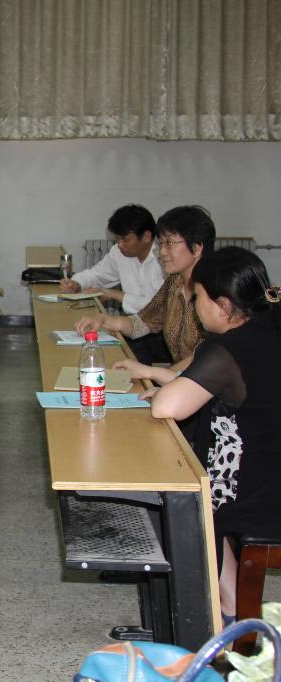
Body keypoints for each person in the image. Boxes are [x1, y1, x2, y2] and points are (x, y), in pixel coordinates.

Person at [141, 247, 281, 625]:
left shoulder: (229, 348)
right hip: (271, 470)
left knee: (185, 495)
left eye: (198, 297)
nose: (194, 305)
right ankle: (233, 599)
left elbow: (166, 406)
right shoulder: (270, 328)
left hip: (262, 496)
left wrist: (169, 391)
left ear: (223, 305)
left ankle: (220, 607)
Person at [76, 205, 216, 375]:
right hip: (179, 379)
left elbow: (209, 355)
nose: (162, 252)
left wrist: (154, 374)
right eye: (161, 243)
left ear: (197, 247)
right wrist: (104, 320)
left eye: (169, 243)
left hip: (205, 383)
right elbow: (144, 322)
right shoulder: (174, 282)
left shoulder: (215, 291)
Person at [60, 204, 164, 314]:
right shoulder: (119, 252)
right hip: (134, 321)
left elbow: (161, 308)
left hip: (160, 323)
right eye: (117, 239)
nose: (120, 245)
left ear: (146, 237)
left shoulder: (166, 259)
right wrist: (77, 283)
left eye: (125, 239)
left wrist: (114, 294)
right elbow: (97, 275)